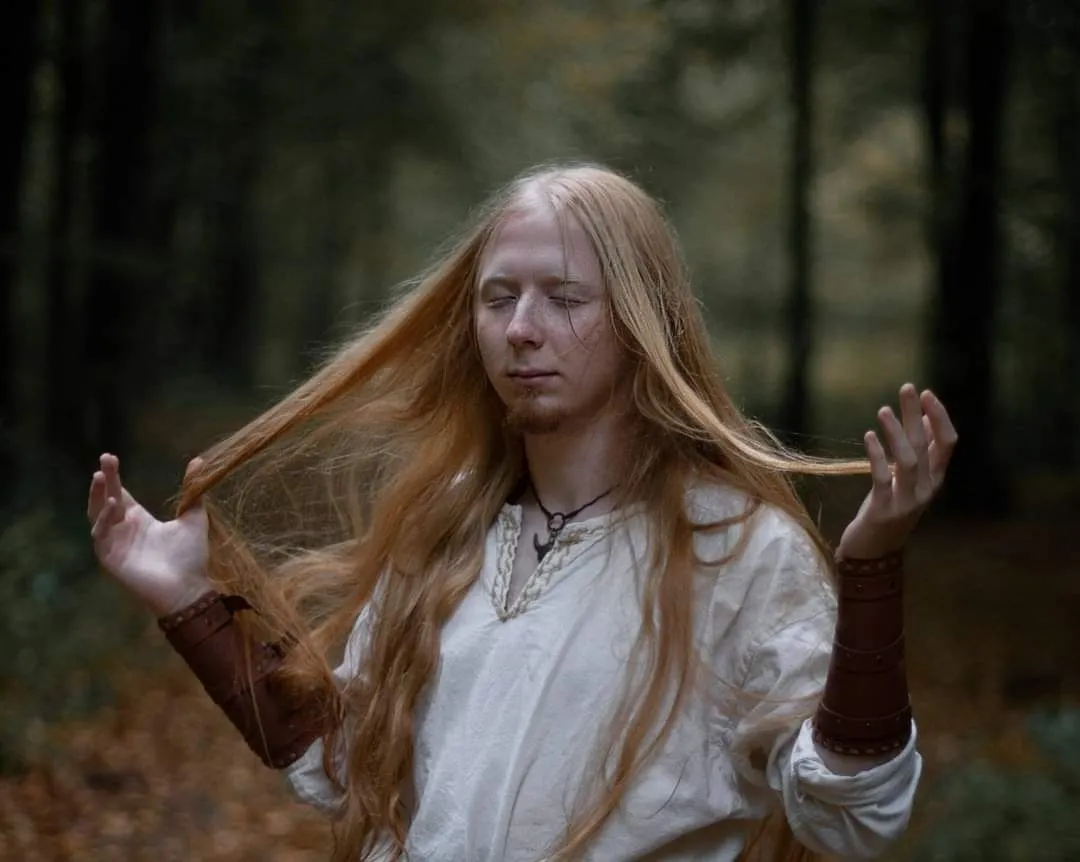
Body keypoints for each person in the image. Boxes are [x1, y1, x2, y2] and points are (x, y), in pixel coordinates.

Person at [87, 164, 956, 862]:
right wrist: (188, 599)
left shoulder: (737, 550)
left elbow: (853, 812)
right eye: (498, 298)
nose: (521, 329)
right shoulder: (446, 531)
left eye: (564, 298)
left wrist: (871, 570)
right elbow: (341, 760)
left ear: (642, 323)